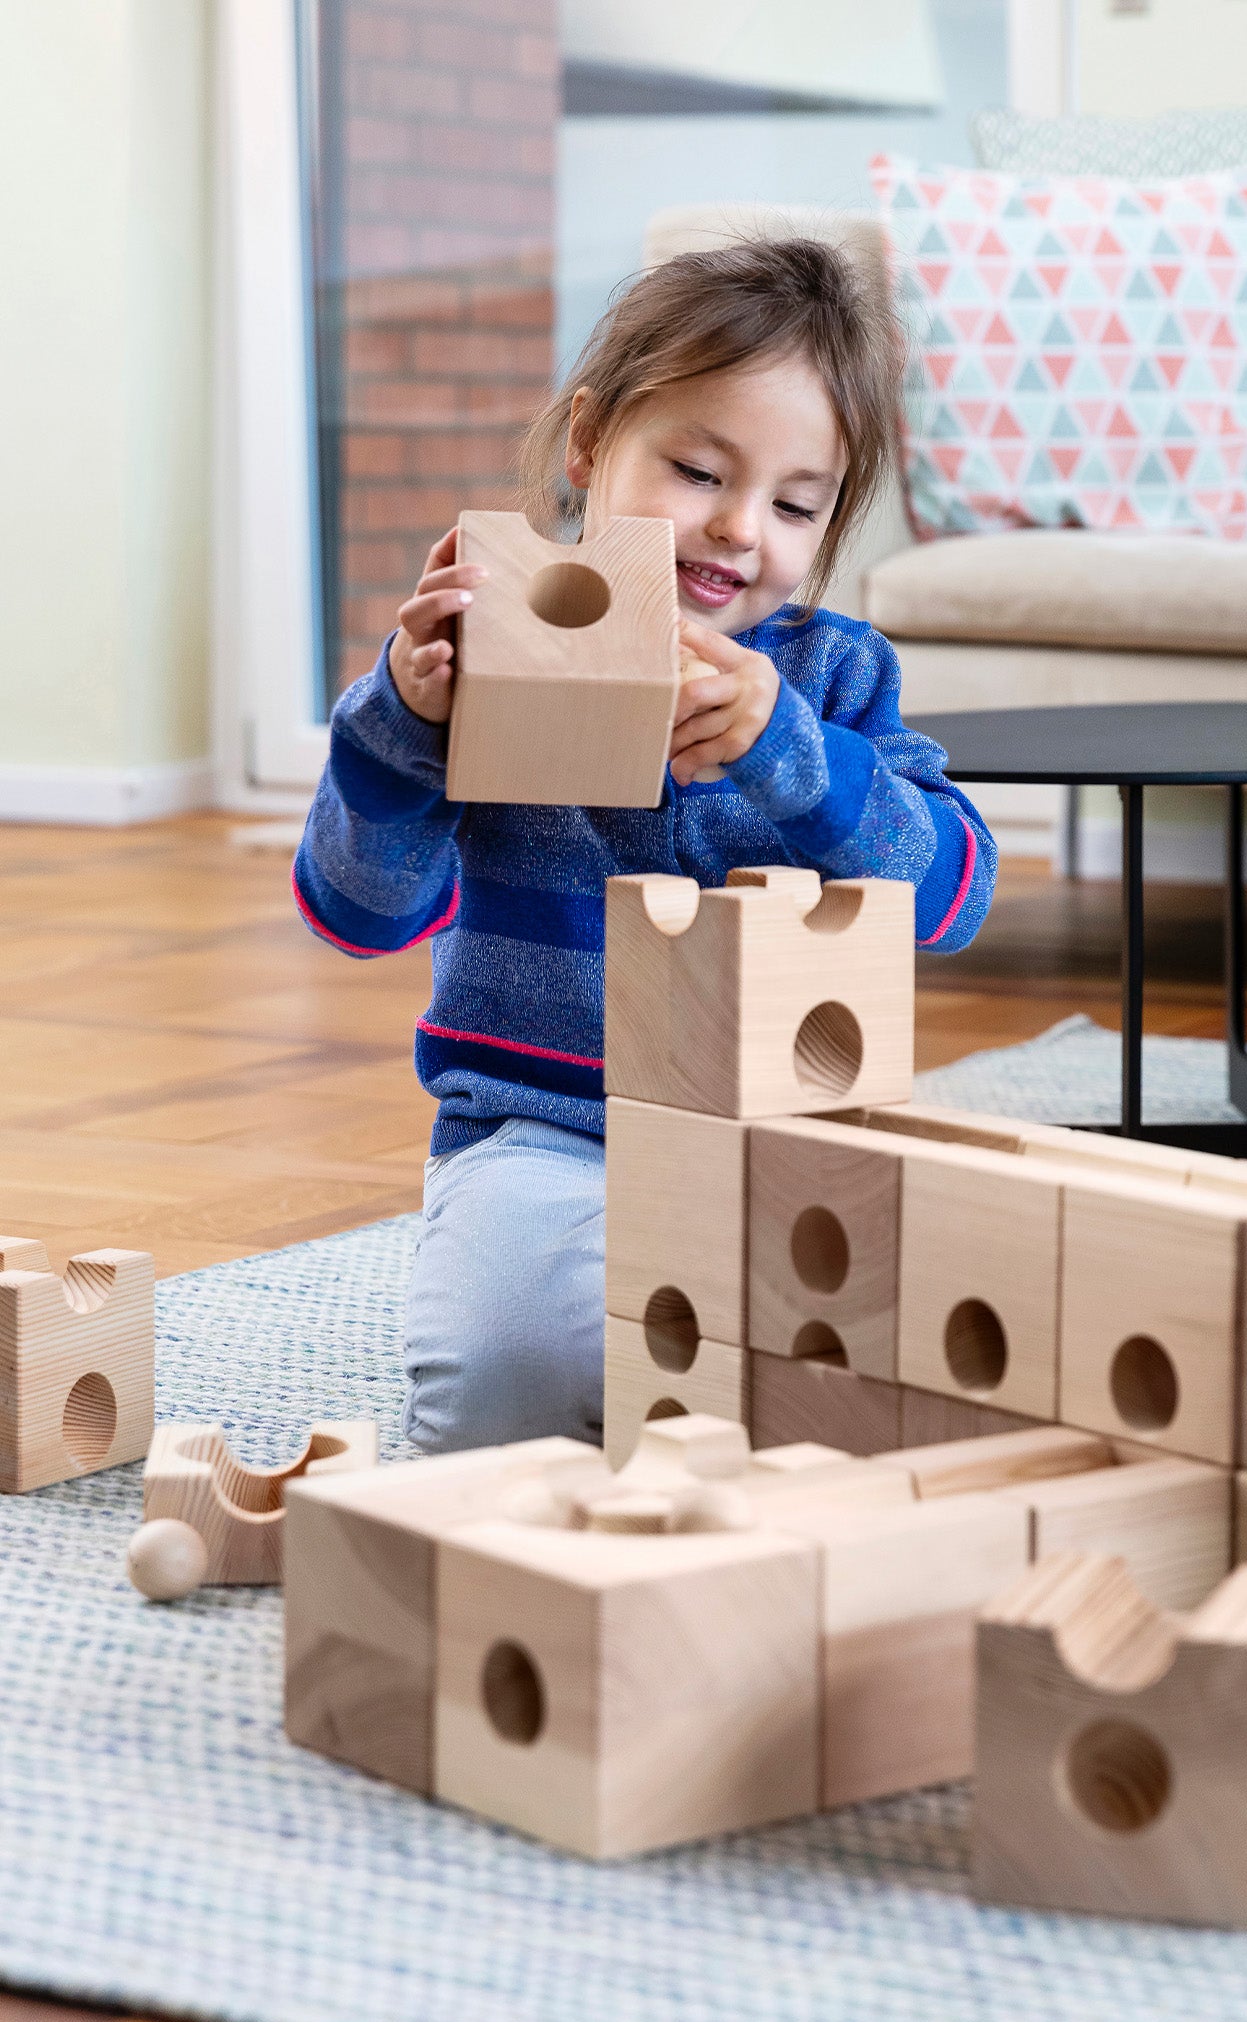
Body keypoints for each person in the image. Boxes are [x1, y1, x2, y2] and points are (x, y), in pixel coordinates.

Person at [292, 237, 998, 1453]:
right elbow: (355, 911)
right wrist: (405, 728)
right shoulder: (489, 647)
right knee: (502, 1383)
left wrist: (796, 755)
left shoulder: (832, 678)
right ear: (588, 444)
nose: (736, 530)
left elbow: (950, 895)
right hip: (541, 1130)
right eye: (695, 470)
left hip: (782, 1141)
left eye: (794, 502)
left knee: (937, 1372)